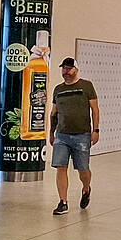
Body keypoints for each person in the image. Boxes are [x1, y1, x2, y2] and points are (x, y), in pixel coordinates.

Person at [49, 57, 99, 215]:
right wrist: (51, 132)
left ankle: (86, 188)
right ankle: (63, 202)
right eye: (64, 68)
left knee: (83, 170)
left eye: (69, 69)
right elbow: (54, 113)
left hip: (82, 136)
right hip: (62, 136)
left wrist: (95, 130)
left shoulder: (86, 86)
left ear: (76, 69)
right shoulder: (58, 89)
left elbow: (95, 110)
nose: (66, 72)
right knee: (60, 167)